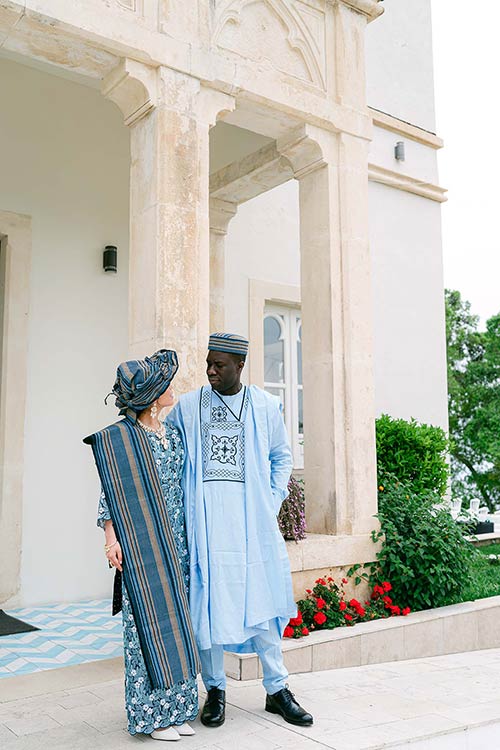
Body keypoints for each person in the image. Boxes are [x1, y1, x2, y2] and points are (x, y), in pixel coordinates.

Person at [168, 333, 313, 728]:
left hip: (253, 528)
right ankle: (215, 690)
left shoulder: (265, 407)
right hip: (207, 528)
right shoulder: (189, 406)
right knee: (209, 607)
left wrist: (272, 499)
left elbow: (282, 456)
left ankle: (277, 689)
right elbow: (165, 446)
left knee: (262, 606)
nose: (211, 371)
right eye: (208, 364)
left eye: (220, 365)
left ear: (240, 366)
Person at [84, 350, 200, 742]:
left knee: (176, 624)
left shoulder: (171, 433)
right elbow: (110, 494)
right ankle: (151, 717)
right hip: (140, 544)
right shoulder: (124, 439)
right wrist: (110, 539)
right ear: (153, 397)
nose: (173, 390)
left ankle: (178, 708)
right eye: (166, 386)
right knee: (145, 628)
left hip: (176, 543)